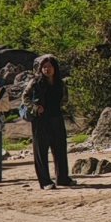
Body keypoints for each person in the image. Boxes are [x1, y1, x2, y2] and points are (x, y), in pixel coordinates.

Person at [25, 53, 72, 188]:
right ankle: (45, 182)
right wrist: (34, 108)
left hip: (56, 118)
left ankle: (63, 178)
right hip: (40, 121)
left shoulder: (60, 83)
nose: (47, 69)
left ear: (55, 68)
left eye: (49, 66)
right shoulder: (35, 82)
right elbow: (25, 97)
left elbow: (65, 99)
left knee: (60, 150)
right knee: (41, 151)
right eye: (44, 67)